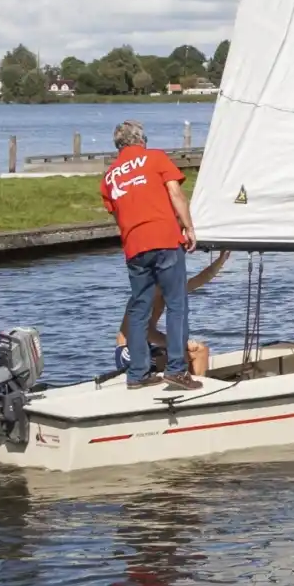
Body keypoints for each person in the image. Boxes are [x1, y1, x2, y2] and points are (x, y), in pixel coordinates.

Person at [102, 120, 201, 391]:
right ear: (141, 140)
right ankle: (176, 369)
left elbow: (117, 214)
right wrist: (189, 227)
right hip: (165, 239)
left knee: (139, 309)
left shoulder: (109, 177)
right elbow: (175, 193)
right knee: (176, 304)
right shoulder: (155, 158)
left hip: (134, 247)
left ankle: (138, 373)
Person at [114, 249, 231, 378]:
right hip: (129, 351)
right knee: (186, 355)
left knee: (201, 350)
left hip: (148, 347)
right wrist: (176, 343)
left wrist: (221, 260)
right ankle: (185, 383)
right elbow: (146, 332)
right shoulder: (143, 296)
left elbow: (200, 279)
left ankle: (196, 384)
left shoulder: (167, 291)